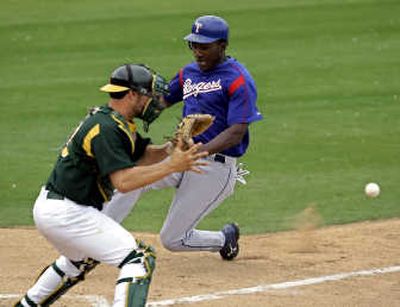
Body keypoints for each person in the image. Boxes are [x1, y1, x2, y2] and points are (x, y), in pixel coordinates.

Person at [14, 63, 208, 307]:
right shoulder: (107, 129)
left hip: (56, 209)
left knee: (79, 261)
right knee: (140, 258)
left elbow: (142, 156)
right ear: (132, 95)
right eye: (150, 95)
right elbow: (124, 182)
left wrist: (173, 147)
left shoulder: (115, 122)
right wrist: (172, 166)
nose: (155, 102)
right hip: (68, 213)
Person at [103, 15, 263, 261]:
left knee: (173, 239)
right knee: (131, 181)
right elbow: (161, 101)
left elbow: (236, 131)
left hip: (212, 166)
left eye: (204, 46)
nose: (197, 52)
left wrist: (199, 151)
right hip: (179, 154)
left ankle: (224, 238)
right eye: (193, 45)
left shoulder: (239, 80)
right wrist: (124, 113)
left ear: (222, 45)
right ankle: (96, 240)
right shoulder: (189, 72)